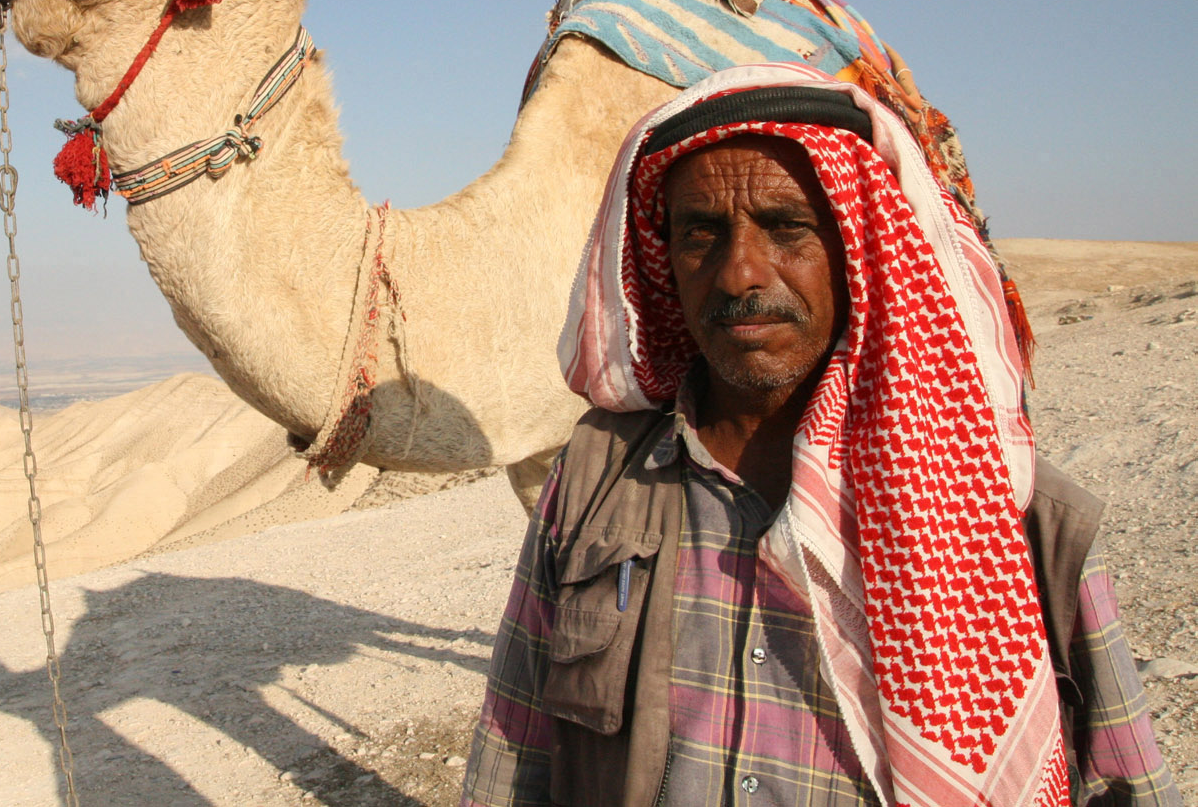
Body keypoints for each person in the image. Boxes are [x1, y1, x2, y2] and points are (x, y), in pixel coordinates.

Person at [460, 63, 1179, 807]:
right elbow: (513, 750)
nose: (739, 273)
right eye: (700, 234)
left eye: (786, 228)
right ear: (663, 264)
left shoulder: (1011, 507)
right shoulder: (595, 476)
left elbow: (1127, 781)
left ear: (859, 251)